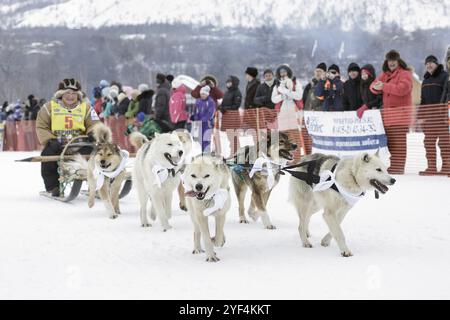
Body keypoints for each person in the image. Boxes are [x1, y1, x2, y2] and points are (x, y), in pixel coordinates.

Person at [36, 78, 99, 196]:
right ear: (61, 94)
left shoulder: (86, 108)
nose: (71, 96)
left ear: (78, 95)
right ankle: (53, 187)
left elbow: (95, 124)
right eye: (67, 93)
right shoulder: (49, 107)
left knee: (96, 155)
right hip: (58, 144)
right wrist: (50, 139)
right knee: (48, 155)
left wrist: (93, 133)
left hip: (80, 144)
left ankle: (98, 185)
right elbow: (41, 126)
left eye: (74, 93)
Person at [370, 50, 413, 174]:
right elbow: (373, 85)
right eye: (389, 61)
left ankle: (398, 167)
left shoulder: (405, 74)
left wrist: (383, 86)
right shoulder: (385, 74)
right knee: (392, 144)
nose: (391, 63)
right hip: (388, 117)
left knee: (399, 144)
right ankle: (394, 166)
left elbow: (403, 89)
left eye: (394, 60)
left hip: (400, 116)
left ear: (398, 61)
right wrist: (375, 87)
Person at [418, 55, 449, 176]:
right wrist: (420, 116)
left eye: (431, 63)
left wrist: (445, 112)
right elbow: (423, 100)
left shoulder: (444, 76)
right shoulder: (425, 80)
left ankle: (447, 166)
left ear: (437, 64)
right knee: (428, 142)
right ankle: (431, 166)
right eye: (427, 64)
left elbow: (447, 94)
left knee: (444, 142)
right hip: (429, 118)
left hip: (442, 116)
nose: (429, 65)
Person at [220, 75, 242, 156]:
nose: (228, 84)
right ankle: (233, 151)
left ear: (234, 83)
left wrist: (226, 108)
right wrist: (221, 107)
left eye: (229, 82)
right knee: (230, 136)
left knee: (234, 136)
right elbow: (223, 103)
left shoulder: (237, 92)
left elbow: (236, 105)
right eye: (227, 82)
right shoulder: (227, 92)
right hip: (226, 116)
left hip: (233, 116)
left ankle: (236, 152)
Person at [191, 86, 216, 152]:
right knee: (197, 139)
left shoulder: (211, 102)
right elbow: (195, 111)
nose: (202, 95)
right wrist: (195, 118)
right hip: (197, 124)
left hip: (207, 124)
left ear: (207, 94)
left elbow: (210, 113)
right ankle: (197, 153)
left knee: (206, 140)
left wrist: (202, 120)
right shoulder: (198, 101)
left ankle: (205, 155)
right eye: (201, 94)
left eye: (204, 94)